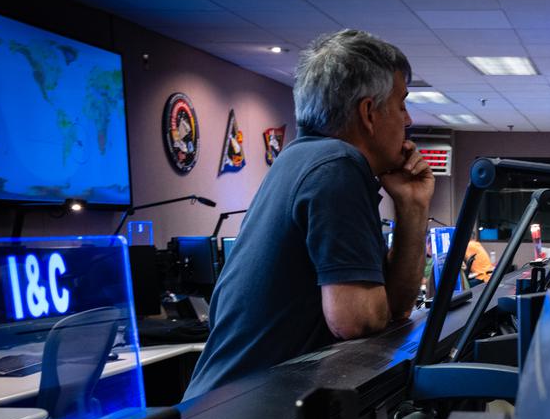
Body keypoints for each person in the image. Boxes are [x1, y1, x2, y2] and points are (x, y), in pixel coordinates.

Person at [184, 30, 432, 399]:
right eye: (401, 104)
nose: (408, 120)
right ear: (368, 113)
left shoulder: (305, 159)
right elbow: (358, 320)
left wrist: (412, 208)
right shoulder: (336, 165)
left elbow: (392, 309)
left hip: (231, 410)